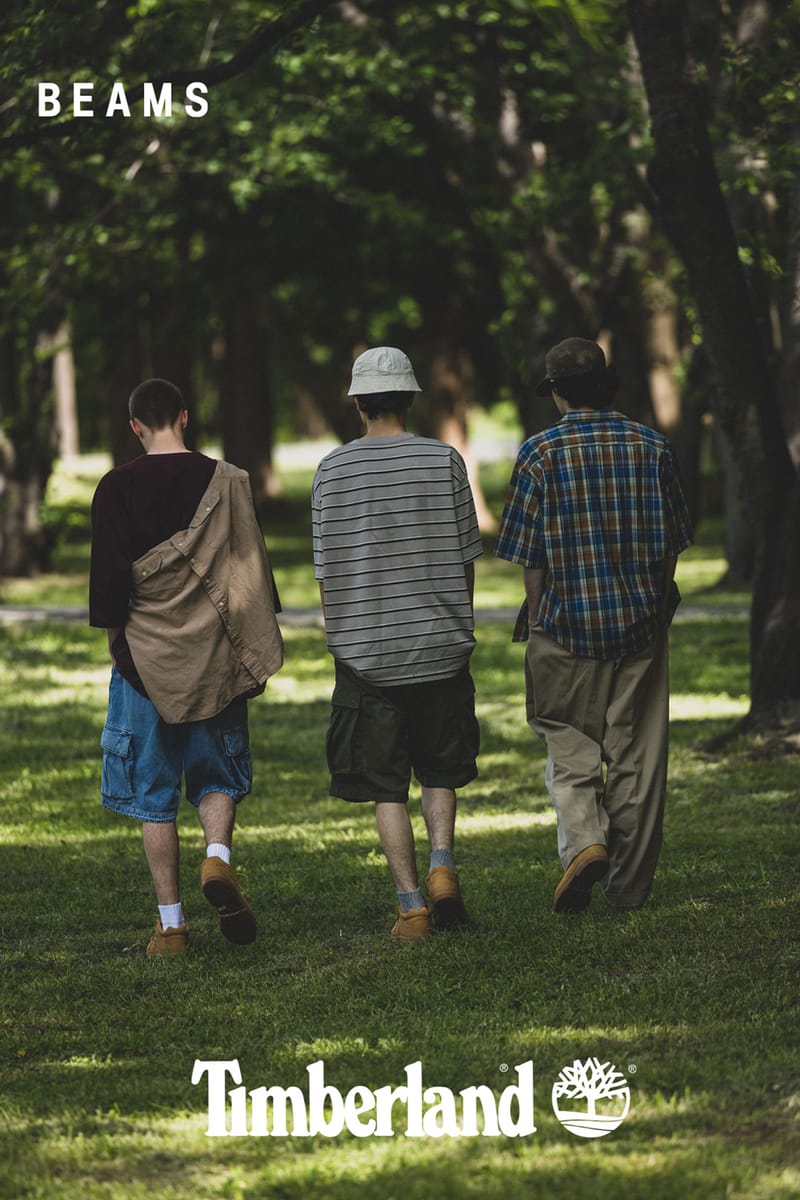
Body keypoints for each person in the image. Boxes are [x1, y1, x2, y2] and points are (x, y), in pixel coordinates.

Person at [495, 338, 693, 913]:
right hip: (639, 628)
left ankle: (584, 841)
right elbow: (672, 544)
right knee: (637, 758)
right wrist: (655, 604)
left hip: (563, 626)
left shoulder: (540, 453)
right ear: (606, 386)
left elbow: (530, 556)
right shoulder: (652, 447)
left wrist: (537, 620)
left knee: (565, 734)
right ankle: (628, 891)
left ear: (556, 392)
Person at [90, 378, 283, 956]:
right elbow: (251, 571)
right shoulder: (226, 481)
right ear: (184, 417)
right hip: (216, 657)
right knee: (217, 775)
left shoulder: (116, 487)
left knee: (154, 794)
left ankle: (172, 925)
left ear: (135, 427)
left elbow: (108, 585)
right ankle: (218, 858)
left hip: (144, 661)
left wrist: (119, 646)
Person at [312, 346, 482, 939]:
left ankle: (410, 905)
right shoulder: (445, 462)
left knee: (386, 785)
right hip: (440, 644)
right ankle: (442, 868)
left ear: (358, 402)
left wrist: (343, 634)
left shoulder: (332, 471)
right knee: (439, 769)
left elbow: (327, 572)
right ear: (411, 398)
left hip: (367, 654)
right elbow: (465, 562)